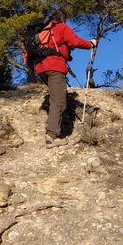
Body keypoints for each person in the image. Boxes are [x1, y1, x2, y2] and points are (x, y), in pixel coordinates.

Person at [34, 9, 97, 149]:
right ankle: (52, 136)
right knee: (59, 102)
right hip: (54, 67)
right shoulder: (61, 27)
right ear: (62, 19)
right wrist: (91, 44)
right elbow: (74, 41)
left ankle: (52, 132)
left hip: (40, 67)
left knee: (55, 98)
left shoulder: (43, 30)